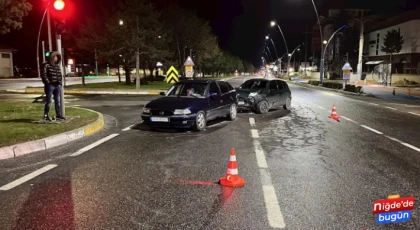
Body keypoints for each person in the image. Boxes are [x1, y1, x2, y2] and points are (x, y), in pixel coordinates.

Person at [41, 51, 65, 121]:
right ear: (52, 57)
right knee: (49, 101)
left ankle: (58, 114)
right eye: (55, 57)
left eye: (57, 57)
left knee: (57, 100)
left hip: (57, 85)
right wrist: (48, 83)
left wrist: (60, 83)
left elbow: (59, 75)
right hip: (50, 86)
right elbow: (44, 75)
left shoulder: (57, 65)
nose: (56, 58)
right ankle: (46, 115)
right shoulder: (46, 65)